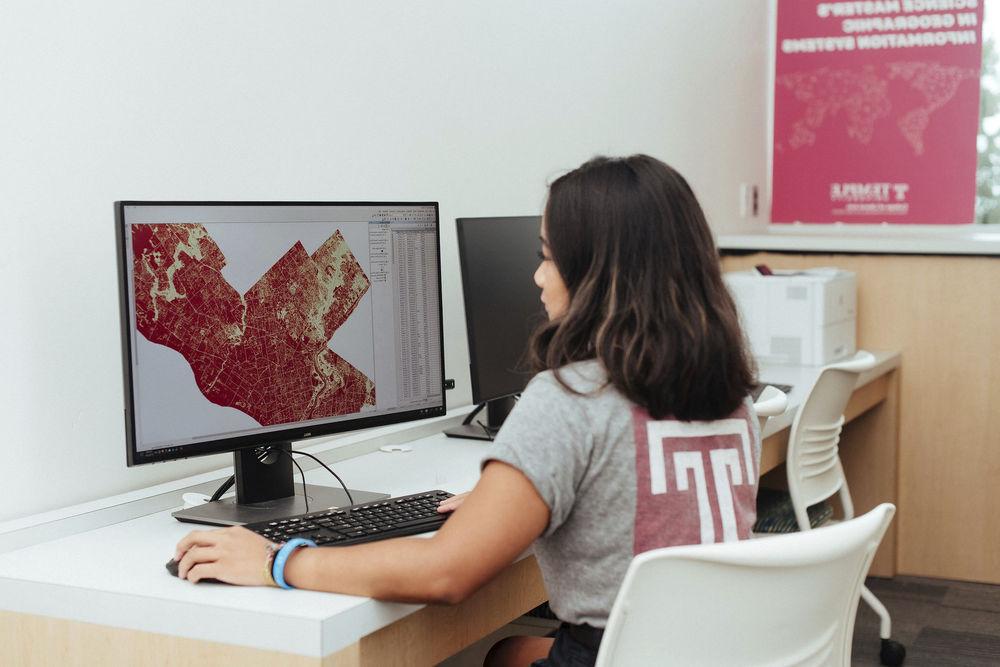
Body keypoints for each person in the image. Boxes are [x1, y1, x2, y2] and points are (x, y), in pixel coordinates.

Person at [173, 154, 759, 667]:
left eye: (549, 257)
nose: (536, 275)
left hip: (618, 653)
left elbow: (445, 574)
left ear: (597, 276)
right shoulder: (730, 395)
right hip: (713, 652)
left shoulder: (571, 399)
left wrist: (279, 561)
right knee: (508, 651)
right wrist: (510, 502)